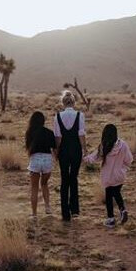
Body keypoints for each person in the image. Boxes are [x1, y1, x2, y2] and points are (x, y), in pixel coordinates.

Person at [84, 123, 133, 229]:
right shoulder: (123, 144)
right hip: (119, 175)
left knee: (109, 196)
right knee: (117, 192)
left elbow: (95, 157)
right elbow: (129, 159)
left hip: (108, 177)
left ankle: (111, 219)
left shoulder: (104, 146)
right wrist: (123, 167)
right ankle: (122, 209)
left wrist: (85, 158)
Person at [53, 90, 86, 221]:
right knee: (74, 178)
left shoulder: (57, 116)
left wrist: (56, 152)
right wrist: (85, 149)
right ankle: (75, 210)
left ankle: (65, 213)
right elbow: (81, 134)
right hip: (76, 150)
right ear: (73, 102)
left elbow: (58, 137)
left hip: (64, 151)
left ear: (63, 103)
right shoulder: (80, 115)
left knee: (64, 179)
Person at [25, 111, 56, 218]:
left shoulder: (29, 132)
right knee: (44, 184)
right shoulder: (49, 132)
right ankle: (47, 208)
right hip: (47, 160)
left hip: (35, 159)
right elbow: (55, 149)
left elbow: (28, 149)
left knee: (34, 188)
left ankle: (34, 214)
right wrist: (56, 160)